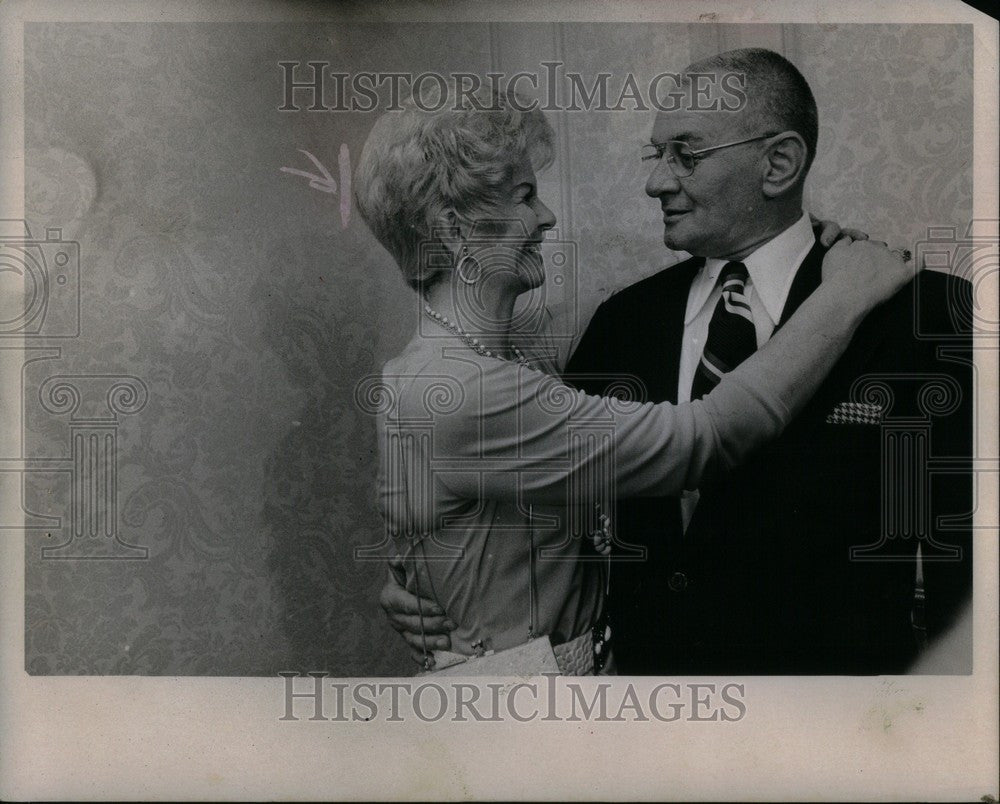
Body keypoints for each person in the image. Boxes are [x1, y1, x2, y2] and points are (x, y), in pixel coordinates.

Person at [381, 48, 974, 675]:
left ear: (779, 163)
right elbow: (546, 504)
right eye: (655, 154)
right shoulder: (623, 323)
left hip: (832, 729)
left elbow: (968, 566)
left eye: (685, 154)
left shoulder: (924, 316)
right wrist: (427, 579)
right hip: (648, 721)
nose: (656, 181)